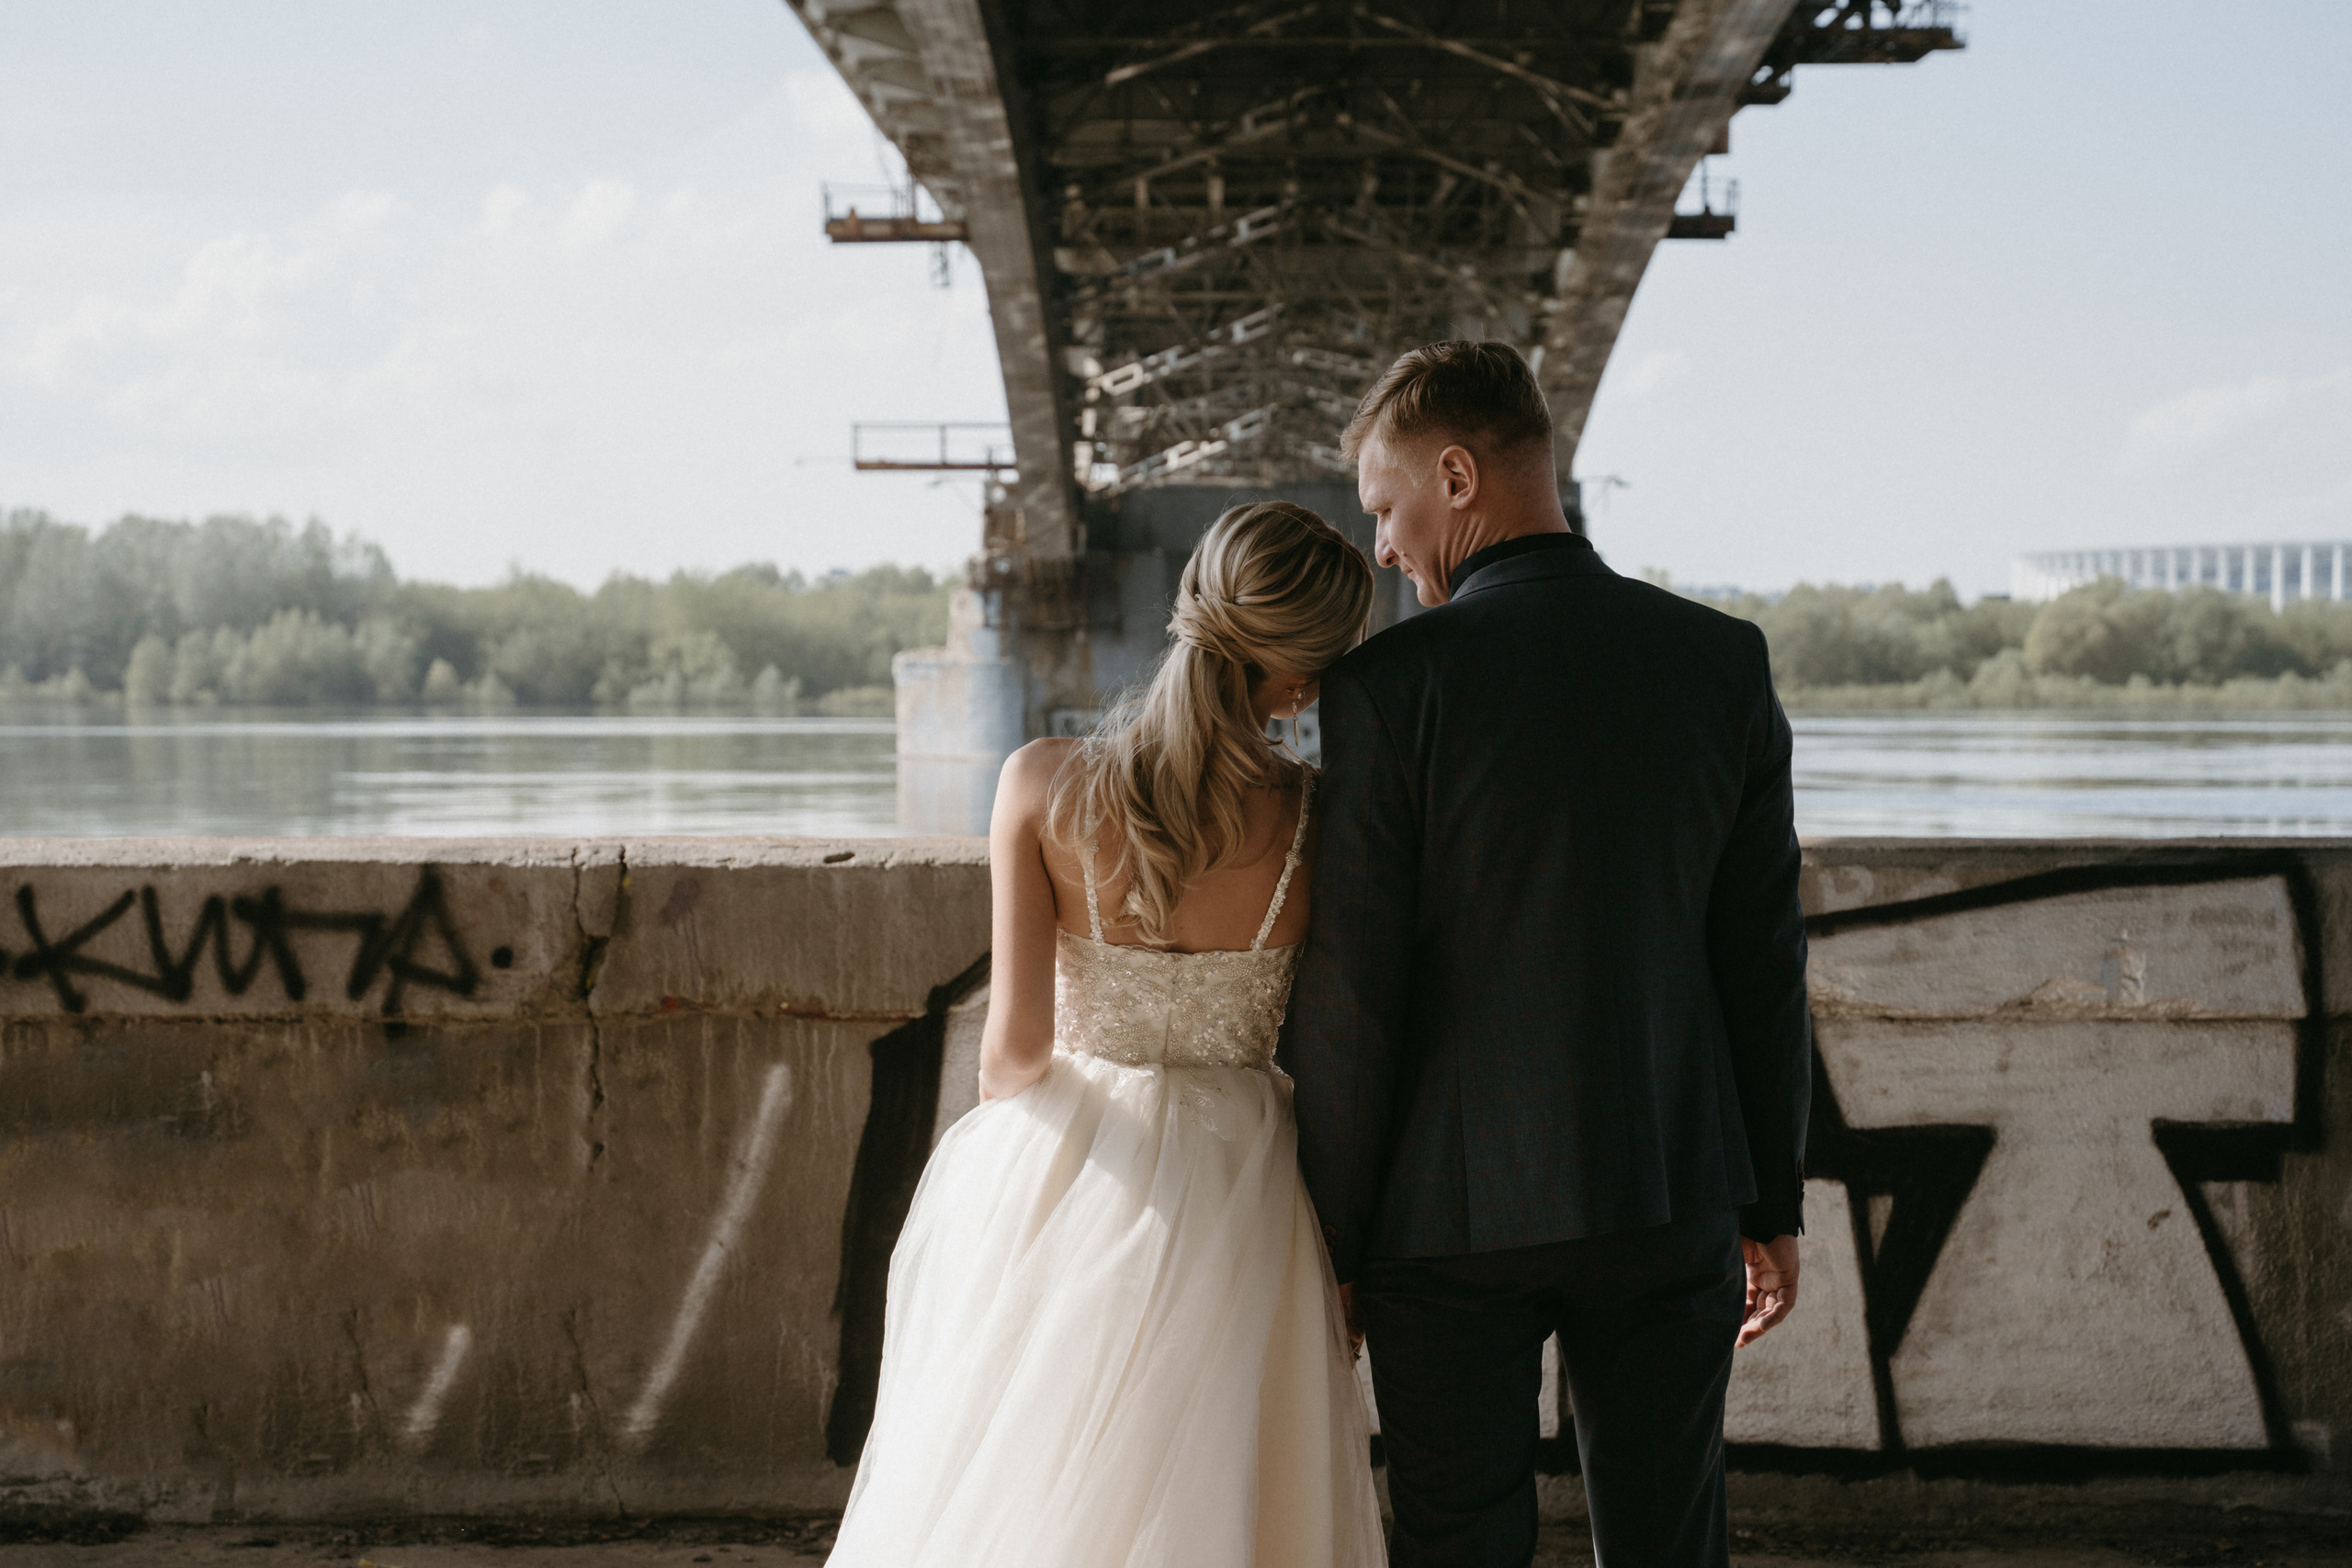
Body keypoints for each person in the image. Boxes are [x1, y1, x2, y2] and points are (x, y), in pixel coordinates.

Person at [1281, 341, 1813, 1568]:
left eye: (1385, 504)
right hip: (1669, 1189)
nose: (1381, 545)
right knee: (1669, 1537)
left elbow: (1355, 990)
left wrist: (1336, 1238)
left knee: (1458, 1538)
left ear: (1455, 476)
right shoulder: (1720, 660)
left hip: (1442, 1218)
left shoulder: (1386, 686)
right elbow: (1760, 956)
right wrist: (1770, 1196)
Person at [829, 501, 1387, 1568]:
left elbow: (1015, 1054)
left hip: (1077, 1149)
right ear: (1306, 676)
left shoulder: (1041, 782)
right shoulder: (1321, 819)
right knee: (1222, 1482)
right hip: (1247, 1179)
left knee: (1029, 1472)